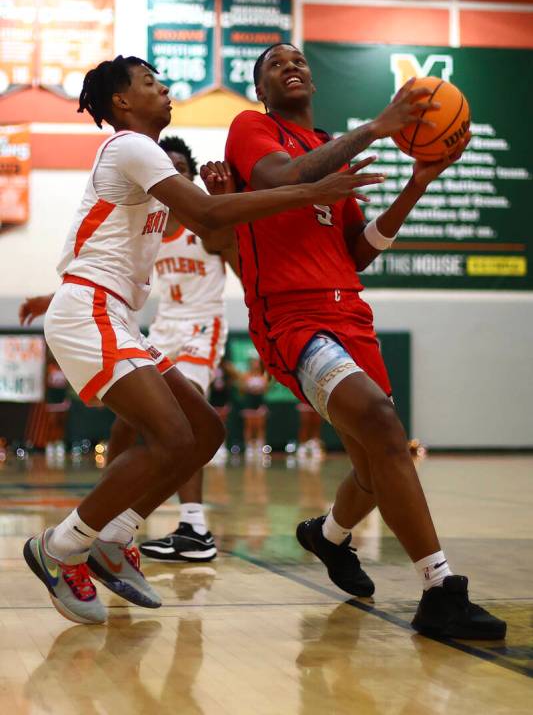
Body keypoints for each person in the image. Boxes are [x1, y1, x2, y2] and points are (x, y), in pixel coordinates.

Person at [21, 53, 385, 625]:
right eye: (151, 84)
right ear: (122, 101)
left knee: (205, 431)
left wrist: (229, 198)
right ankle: (62, 545)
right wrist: (306, 190)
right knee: (168, 435)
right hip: (92, 308)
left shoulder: (142, 166)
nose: (165, 92)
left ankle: (114, 537)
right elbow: (205, 211)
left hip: (113, 311)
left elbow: (210, 226)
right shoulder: (132, 145)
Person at [200, 42, 505, 639]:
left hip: (349, 313)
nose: (291, 67)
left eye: (298, 61)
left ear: (313, 82)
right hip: (291, 318)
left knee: (377, 461)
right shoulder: (251, 128)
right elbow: (282, 178)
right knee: (385, 428)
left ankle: (328, 536)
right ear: (261, 89)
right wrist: (379, 127)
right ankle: (441, 589)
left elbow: (358, 251)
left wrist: (417, 182)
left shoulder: (326, 148)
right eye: (275, 65)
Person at [20, 134, 235, 563]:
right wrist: (52, 298)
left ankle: (193, 524)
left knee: (186, 425)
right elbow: (104, 267)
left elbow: (226, 241)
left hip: (200, 329)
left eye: (177, 172)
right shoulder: (148, 224)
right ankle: (110, 511)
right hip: (158, 327)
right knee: (126, 425)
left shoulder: (202, 226)